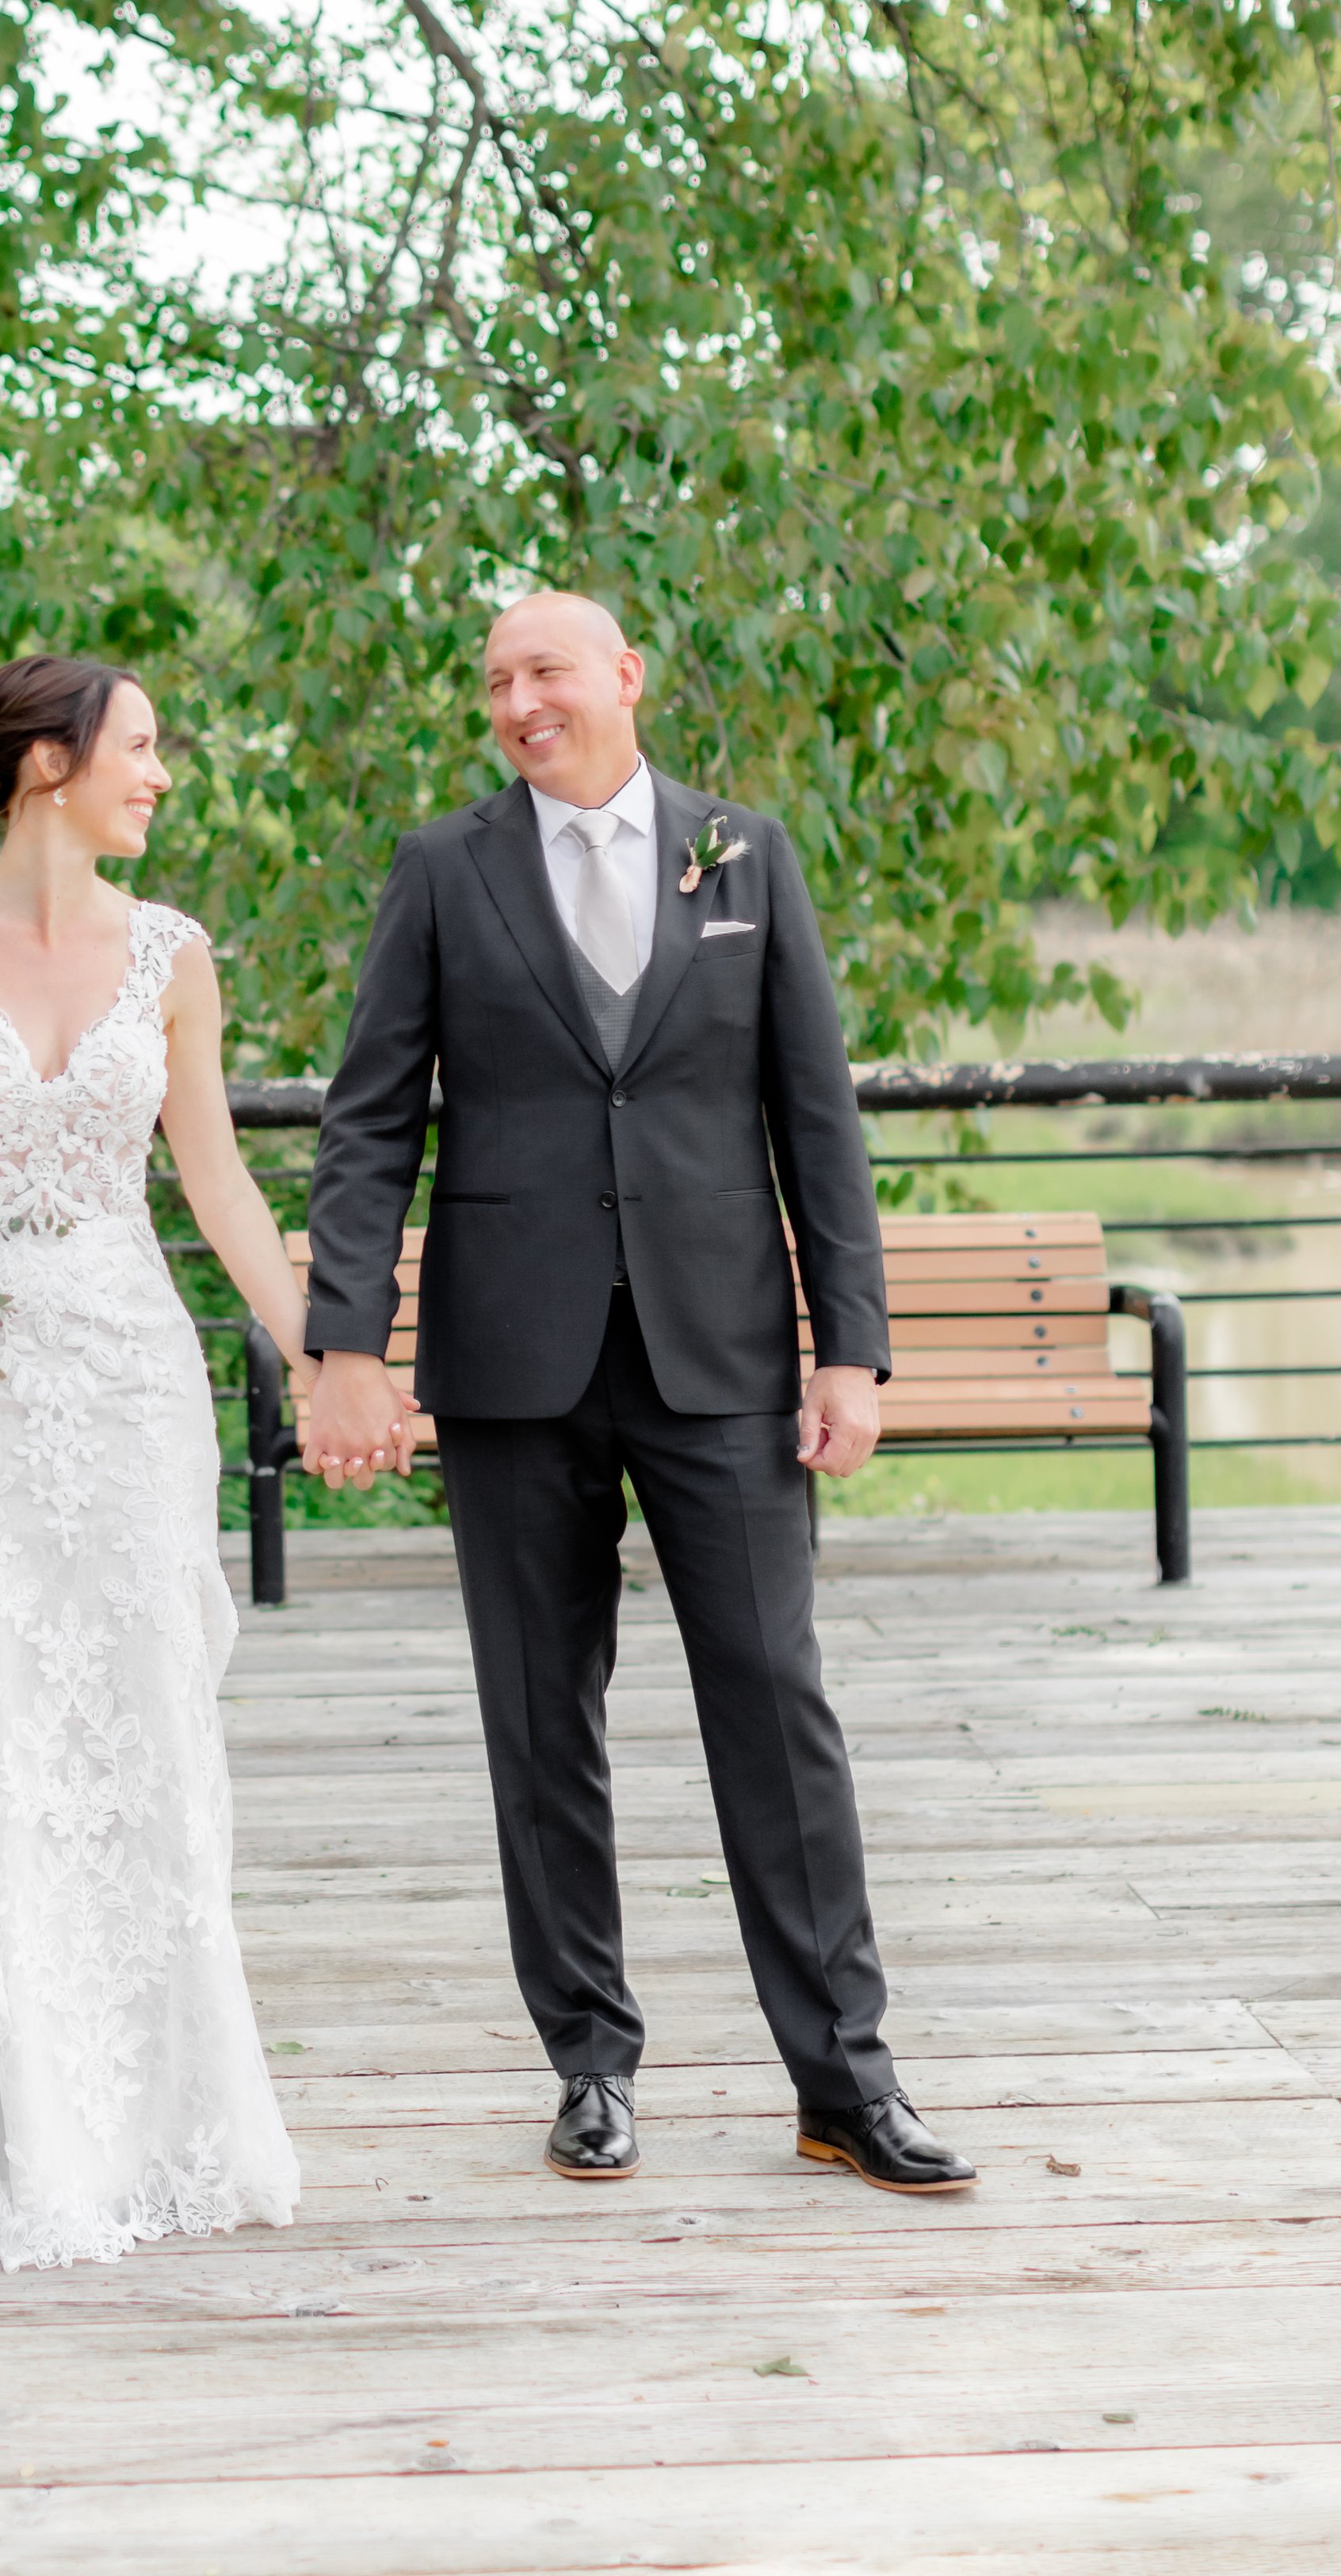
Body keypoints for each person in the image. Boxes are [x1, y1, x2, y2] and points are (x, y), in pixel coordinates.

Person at [300, 593, 976, 2196]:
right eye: (492, 683)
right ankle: (588, 2064)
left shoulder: (745, 857)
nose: (518, 702)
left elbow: (815, 1119)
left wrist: (848, 1348)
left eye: (543, 671)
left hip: (721, 1355)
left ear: (622, 678)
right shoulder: (440, 869)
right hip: (510, 1361)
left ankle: (841, 2081)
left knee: (776, 1707)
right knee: (542, 1723)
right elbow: (368, 1120)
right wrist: (346, 1339)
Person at [0, 651, 330, 2269]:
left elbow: (218, 1186)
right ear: (47, 762)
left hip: (128, 1384)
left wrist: (324, 1359)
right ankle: (15, 2131)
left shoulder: (173, 956)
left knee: (142, 1724)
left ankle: (164, 2122)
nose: (161, 774)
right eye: (139, 746)